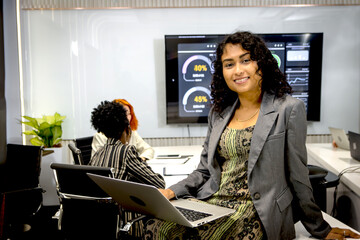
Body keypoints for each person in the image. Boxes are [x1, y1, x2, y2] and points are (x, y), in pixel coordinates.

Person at [145, 31, 360, 240]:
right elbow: (204, 171)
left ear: (261, 64)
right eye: (229, 64)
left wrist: (319, 227)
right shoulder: (218, 113)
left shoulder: (289, 109)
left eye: (245, 60)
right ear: (223, 72)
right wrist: (171, 192)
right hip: (214, 202)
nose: (237, 70)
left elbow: (298, 176)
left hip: (257, 211)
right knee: (151, 225)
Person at [89, 100, 165, 238]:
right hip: (125, 220)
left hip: (100, 223)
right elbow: (159, 183)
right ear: (127, 129)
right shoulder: (126, 151)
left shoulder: (97, 155)